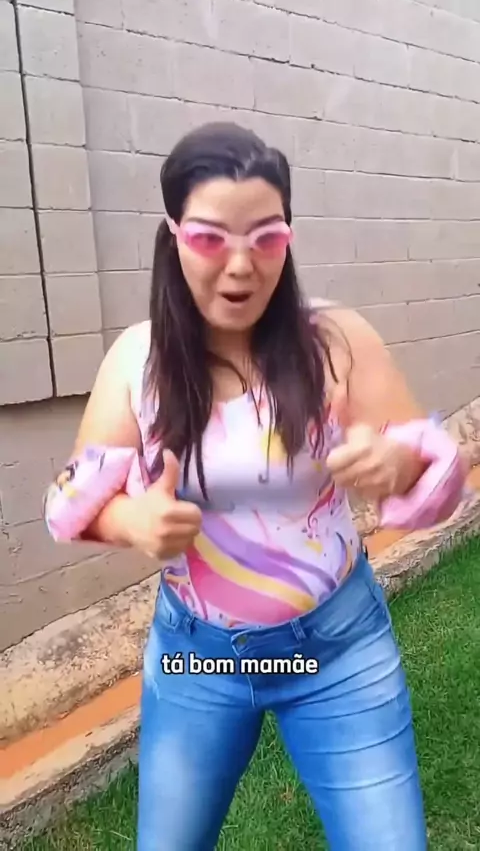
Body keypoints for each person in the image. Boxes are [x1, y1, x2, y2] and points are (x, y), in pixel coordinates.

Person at [43, 122, 466, 850]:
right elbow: (67, 500)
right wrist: (130, 522)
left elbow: (432, 468)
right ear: (173, 236)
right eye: (210, 238)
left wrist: (399, 467)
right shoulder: (139, 360)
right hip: (198, 660)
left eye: (266, 238)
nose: (240, 266)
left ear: (287, 239)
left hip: (339, 649)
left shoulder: (335, 342)